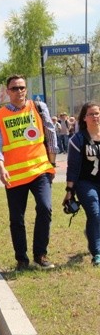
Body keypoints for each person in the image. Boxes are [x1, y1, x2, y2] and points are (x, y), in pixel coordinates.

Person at [0, 74, 57, 270]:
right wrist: (1, 169)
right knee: (16, 218)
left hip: (40, 171)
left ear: (26, 89)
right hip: (15, 176)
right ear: (7, 92)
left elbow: (51, 134)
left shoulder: (38, 107)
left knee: (45, 208)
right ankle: (22, 259)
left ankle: (40, 254)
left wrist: (51, 164)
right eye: (14, 88)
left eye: (22, 87)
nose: (19, 91)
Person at [64, 102, 100, 266]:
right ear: (84, 118)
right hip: (86, 183)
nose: (95, 117)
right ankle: (97, 253)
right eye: (91, 114)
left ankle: (92, 233)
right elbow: (72, 167)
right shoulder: (77, 139)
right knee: (94, 213)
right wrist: (69, 190)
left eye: (97, 113)